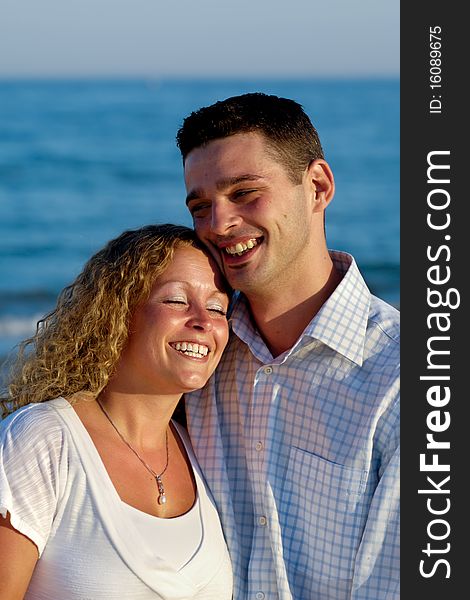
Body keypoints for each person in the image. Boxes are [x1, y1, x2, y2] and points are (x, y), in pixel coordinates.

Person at [176, 93, 400, 599]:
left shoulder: (407, 378)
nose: (218, 223)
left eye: (245, 193)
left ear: (317, 186)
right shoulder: (196, 355)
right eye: (200, 207)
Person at [0, 224, 233, 599]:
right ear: (118, 312)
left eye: (217, 308)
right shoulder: (43, 440)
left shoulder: (199, 450)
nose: (203, 322)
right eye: (176, 300)